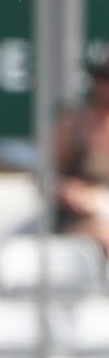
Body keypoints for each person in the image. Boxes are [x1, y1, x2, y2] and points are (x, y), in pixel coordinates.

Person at [55, 56, 109, 253]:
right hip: (77, 220)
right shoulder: (72, 126)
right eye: (104, 79)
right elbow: (49, 178)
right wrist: (71, 193)